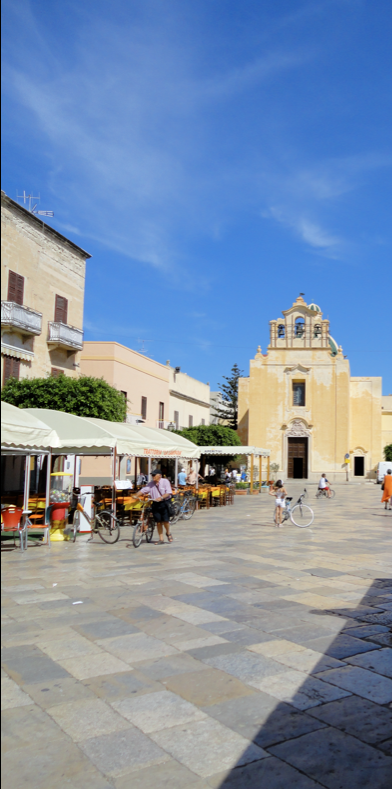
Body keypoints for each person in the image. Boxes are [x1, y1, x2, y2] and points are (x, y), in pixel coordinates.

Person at [135, 470, 173, 544]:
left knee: (165, 521)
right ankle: (161, 539)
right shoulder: (151, 484)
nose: (153, 477)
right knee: (158, 522)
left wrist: (161, 497)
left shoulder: (165, 482)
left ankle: (168, 532)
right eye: (152, 475)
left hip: (164, 503)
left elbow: (168, 492)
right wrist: (136, 495)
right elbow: (143, 490)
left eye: (154, 475)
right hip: (155, 504)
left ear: (160, 475)